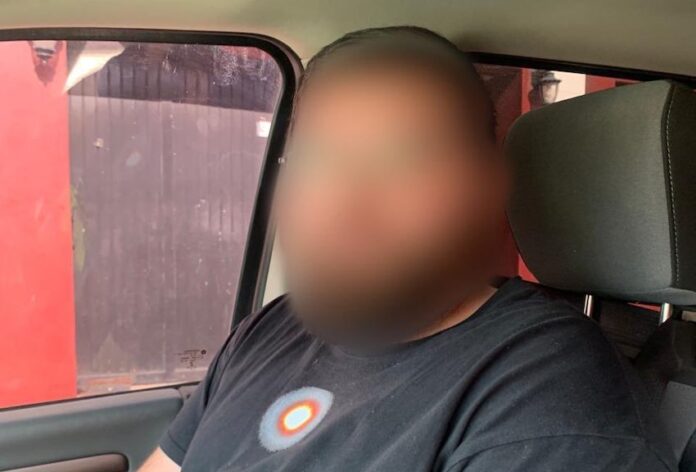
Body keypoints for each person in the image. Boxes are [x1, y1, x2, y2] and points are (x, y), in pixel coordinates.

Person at [140, 26, 675, 471]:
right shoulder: (273, 327)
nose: (345, 205)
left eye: (403, 163)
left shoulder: (551, 399)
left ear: (481, 189)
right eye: (316, 159)